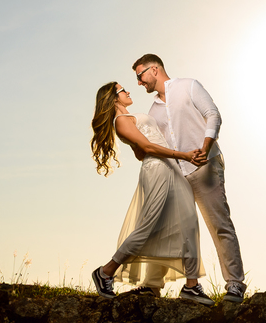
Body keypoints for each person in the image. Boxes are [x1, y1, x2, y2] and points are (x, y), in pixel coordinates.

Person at [132, 54, 248, 303]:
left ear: (154, 69)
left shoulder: (189, 86)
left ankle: (235, 284)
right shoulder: (153, 111)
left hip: (205, 168)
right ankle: (153, 286)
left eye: (140, 76)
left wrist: (205, 148)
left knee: (219, 225)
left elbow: (213, 115)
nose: (139, 83)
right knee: (167, 229)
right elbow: (155, 147)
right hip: (177, 175)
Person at [88, 81, 214, 305]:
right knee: (150, 227)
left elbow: (140, 150)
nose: (127, 91)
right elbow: (146, 150)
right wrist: (182, 155)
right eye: (122, 90)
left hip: (171, 169)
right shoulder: (120, 121)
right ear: (114, 98)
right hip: (158, 170)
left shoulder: (132, 117)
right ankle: (106, 272)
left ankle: (192, 285)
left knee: (189, 223)